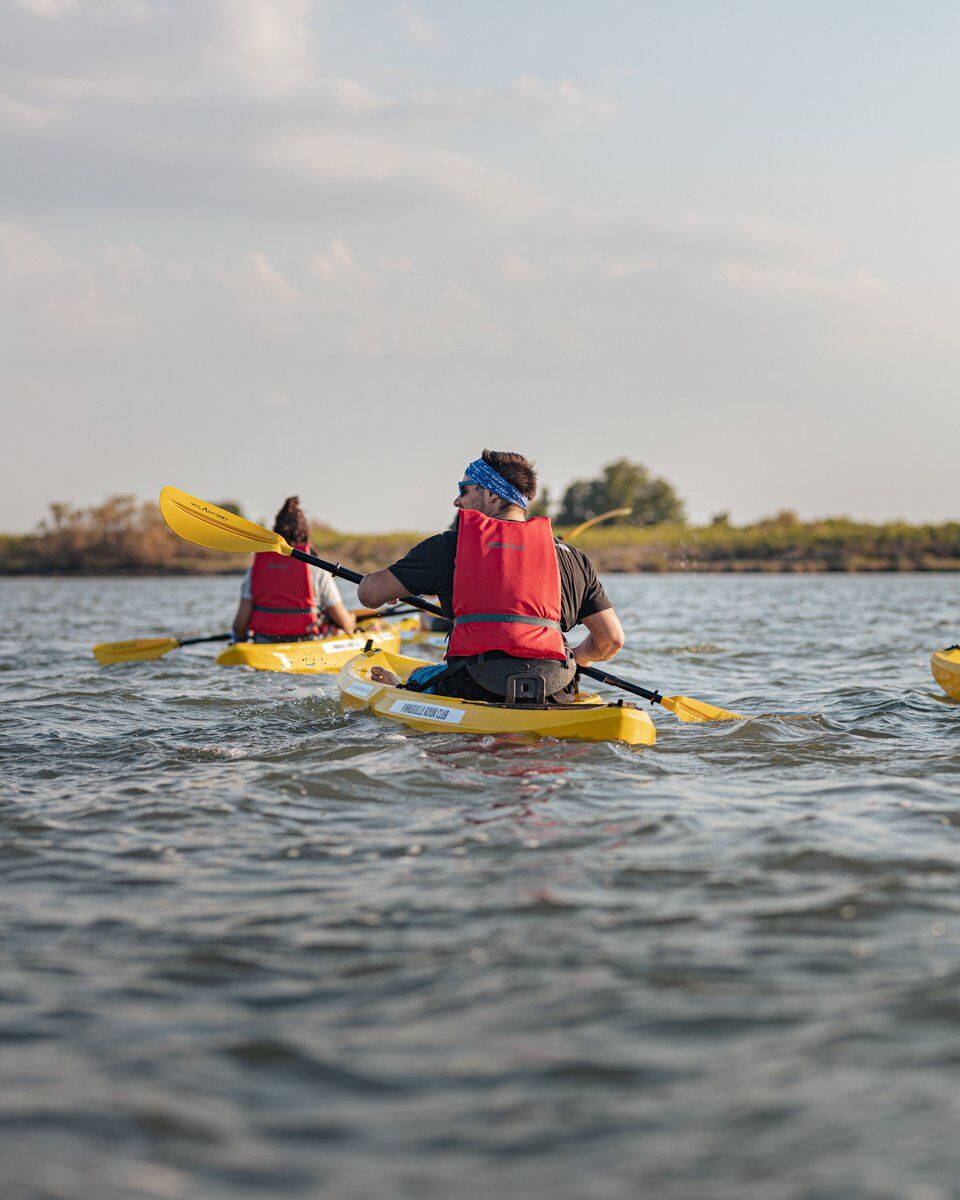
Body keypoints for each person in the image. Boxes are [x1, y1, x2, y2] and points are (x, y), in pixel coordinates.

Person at [356, 450, 624, 703]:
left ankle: (400, 688)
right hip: (552, 686)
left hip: (472, 684)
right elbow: (611, 640)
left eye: (464, 490)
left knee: (417, 676)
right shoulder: (574, 558)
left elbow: (368, 595)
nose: (457, 501)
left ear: (492, 495)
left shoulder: (449, 546)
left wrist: (392, 587)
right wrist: (577, 658)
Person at [232, 497, 356, 643]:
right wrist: (352, 621)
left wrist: (239, 642)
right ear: (305, 534)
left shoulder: (254, 572)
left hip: (263, 643)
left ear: (276, 534)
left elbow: (239, 627)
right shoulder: (317, 571)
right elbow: (344, 623)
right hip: (305, 643)